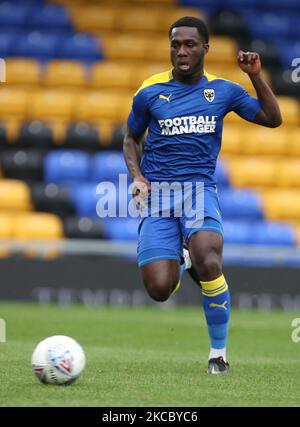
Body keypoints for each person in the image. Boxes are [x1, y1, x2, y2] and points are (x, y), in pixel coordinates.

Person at [123, 16, 282, 374]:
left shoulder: (223, 91)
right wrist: (138, 177)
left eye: (189, 44)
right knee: (159, 289)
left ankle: (218, 354)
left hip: (199, 191)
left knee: (210, 257)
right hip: (160, 196)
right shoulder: (149, 91)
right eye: (175, 44)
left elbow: (273, 119)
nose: (181, 51)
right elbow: (131, 138)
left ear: (205, 49)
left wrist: (255, 75)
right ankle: (183, 259)